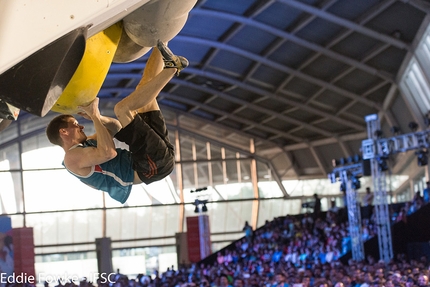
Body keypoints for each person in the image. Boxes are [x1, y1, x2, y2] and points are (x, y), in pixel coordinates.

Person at [46, 40, 188, 204]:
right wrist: (94, 115)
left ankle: (162, 38)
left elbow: (117, 128)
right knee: (122, 109)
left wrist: (98, 119)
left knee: (145, 88)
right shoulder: (71, 158)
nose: (81, 126)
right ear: (64, 132)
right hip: (149, 167)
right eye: (75, 124)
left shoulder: (87, 145)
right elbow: (108, 152)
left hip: (152, 157)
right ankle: (172, 68)